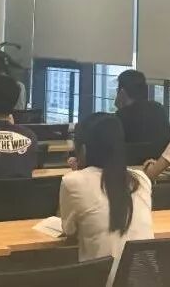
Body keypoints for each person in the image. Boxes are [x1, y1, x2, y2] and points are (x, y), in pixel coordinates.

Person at [61, 113, 153, 285]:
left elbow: (69, 230)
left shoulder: (73, 181)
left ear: (83, 149)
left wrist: (79, 172)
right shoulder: (141, 179)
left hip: (101, 281)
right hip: (146, 281)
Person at [114, 70, 170, 159]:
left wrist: (120, 108)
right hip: (159, 162)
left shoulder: (120, 117)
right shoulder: (158, 109)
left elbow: (115, 149)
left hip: (131, 164)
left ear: (122, 92)